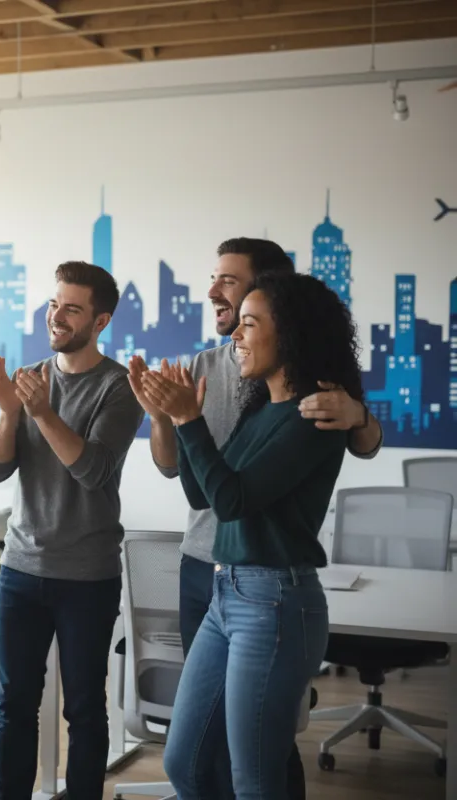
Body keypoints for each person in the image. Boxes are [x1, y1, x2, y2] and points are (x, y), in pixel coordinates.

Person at [128, 236, 382, 800]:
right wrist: (170, 418)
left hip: (273, 602)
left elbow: (234, 500)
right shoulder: (261, 406)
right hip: (227, 591)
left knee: (255, 778)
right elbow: (202, 494)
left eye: (249, 323)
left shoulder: (315, 413)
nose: (237, 335)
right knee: (184, 762)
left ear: (287, 332)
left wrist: (190, 420)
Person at [0, 261, 145, 800]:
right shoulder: (31, 378)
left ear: (100, 322)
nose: (56, 316)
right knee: (14, 705)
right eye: (54, 304)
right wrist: (10, 413)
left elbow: (93, 470)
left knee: (84, 709)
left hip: (86, 577)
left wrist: (42, 412)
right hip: (20, 569)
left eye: (71, 309)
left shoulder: (118, 388)